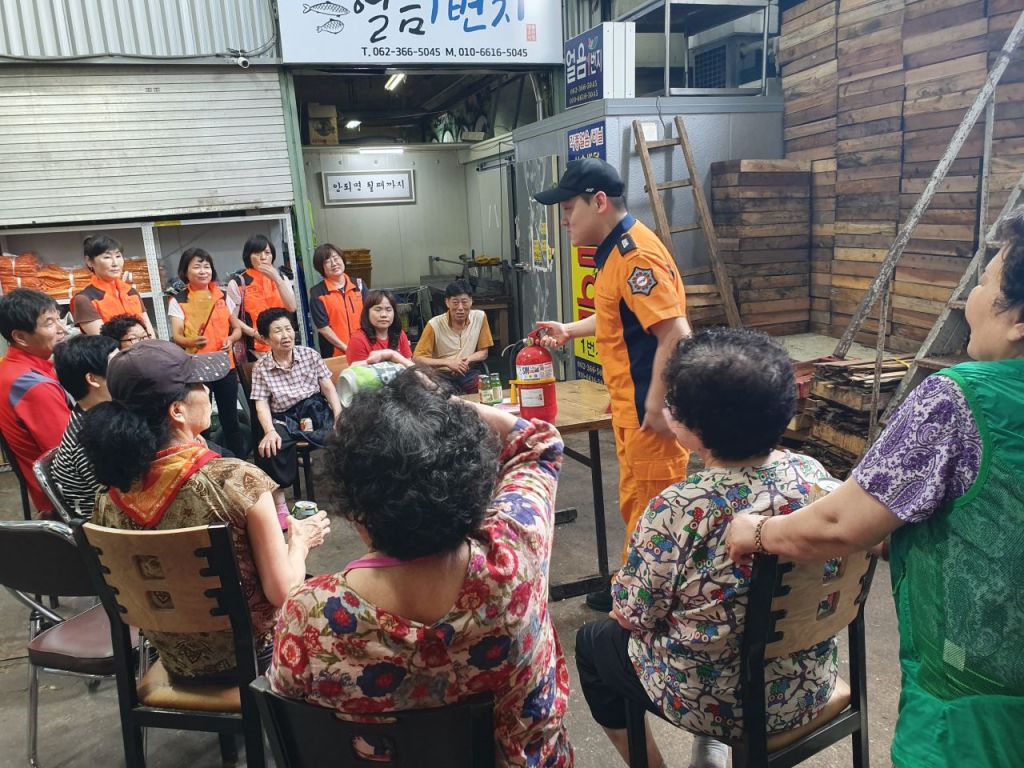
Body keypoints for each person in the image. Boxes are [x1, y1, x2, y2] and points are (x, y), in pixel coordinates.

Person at [725, 210, 1024, 768]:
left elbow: (841, 523)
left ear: (1018, 320)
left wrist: (757, 531)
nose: (970, 299)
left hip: (971, 717)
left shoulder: (959, 400)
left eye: (985, 282)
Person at [268, 360, 573, 767]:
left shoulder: (310, 614)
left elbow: (292, 706)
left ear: (356, 510)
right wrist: (443, 404)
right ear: (476, 484)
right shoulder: (516, 552)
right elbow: (540, 442)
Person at [576, 328, 841, 768]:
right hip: (808, 684)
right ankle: (710, 748)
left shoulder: (678, 508)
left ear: (692, 428)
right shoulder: (814, 477)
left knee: (594, 641)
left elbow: (631, 614)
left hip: (712, 701)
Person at [80, 340, 330, 681]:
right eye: (198, 384)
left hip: (174, 662)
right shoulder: (237, 481)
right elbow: (281, 591)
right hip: (257, 658)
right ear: (177, 411)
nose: (208, 391)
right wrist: (300, 541)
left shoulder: (108, 497)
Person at [533, 158, 691, 611]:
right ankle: (630, 585)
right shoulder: (615, 252)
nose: (564, 220)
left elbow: (675, 334)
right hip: (629, 409)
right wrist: (569, 329)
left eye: (569, 209)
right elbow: (618, 315)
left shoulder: (635, 255)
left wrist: (656, 407)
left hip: (648, 416)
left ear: (599, 201)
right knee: (636, 507)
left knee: (655, 517)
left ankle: (642, 613)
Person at [250, 308, 341, 523]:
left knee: (347, 433)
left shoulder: (310, 354)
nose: (286, 335)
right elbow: (261, 404)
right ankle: (280, 504)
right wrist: (269, 431)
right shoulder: (261, 368)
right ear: (266, 339)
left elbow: (328, 388)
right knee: (271, 445)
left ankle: (350, 490)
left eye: (288, 329)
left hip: (315, 409)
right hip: (284, 416)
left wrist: (339, 414)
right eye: (278, 331)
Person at [167, 248, 246, 457]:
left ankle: (239, 462)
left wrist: (231, 339)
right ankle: (206, 461)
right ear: (185, 271)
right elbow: (177, 336)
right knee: (200, 421)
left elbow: (237, 329)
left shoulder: (222, 296)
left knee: (230, 419)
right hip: (196, 368)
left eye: (206, 266)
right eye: (197, 266)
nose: (203, 271)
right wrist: (192, 341)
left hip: (224, 365)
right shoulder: (178, 300)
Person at [0, 289, 72, 516]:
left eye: (59, 319)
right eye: (49, 323)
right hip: (65, 499)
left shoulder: (11, 368)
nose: (62, 329)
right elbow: (69, 456)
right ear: (20, 337)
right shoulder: (33, 387)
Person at [50, 333, 118, 519]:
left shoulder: (96, 412)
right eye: (117, 365)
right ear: (93, 379)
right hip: (106, 525)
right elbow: (126, 497)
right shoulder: (90, 439)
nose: (127, 369)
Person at [413, 279, 493, 392]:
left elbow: (483, 353)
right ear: (447, 302)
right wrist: (448, 363)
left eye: (464, 302)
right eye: (455, 302)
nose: (460, 308)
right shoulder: (434, 324)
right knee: (443, 397)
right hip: (441, 375)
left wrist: (465, 362)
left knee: (486, 392)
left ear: (471, 301)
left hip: (467, 372)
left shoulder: (480, 317)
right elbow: (417, 359)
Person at [227, 234, 297, 360]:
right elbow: (232, 318)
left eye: (267, 253)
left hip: (284, 343)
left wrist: (277, 279)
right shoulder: (239, 282)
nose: (263, 257)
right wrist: (253, 333)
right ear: (248, 256)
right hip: (255, 348)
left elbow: (292, 307)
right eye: (257, 253)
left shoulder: (281, 278)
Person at [72, 235, 155, 338]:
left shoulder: (131, 292)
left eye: (118, 256)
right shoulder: (85, 299)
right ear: (89, 261)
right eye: (107, 257)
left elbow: (150, 334)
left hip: (143, 347)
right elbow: (104, 342)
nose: (115, 263)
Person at [308, 243, 365, 358]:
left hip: (362, 348)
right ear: (321, 268)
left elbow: (370, 315)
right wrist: (346, 349)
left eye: (336, 258)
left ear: (342, 259)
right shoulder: (317, 293)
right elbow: (323, 328)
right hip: (335, 354)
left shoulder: (359, 285)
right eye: (327, 261)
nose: (334, 263)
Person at [344, 289, 413, 364]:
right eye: (378, 309)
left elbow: (409, 366)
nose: (384, 315)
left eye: (388, 310)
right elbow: (358, 370)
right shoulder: (358, 340)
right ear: (367, 313)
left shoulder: (399, 334)